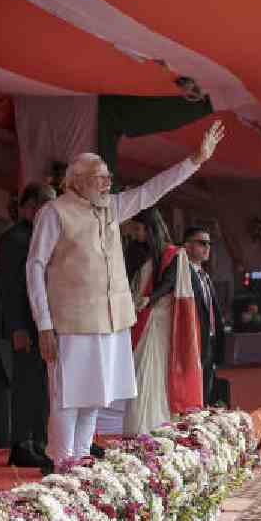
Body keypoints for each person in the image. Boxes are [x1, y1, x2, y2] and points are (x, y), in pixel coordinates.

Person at [27, 120, 224, 471]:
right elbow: (35, 268)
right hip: (70, 322)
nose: (108, 182)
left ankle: (81, 461)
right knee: (67, 399)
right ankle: (61, 464)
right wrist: (43, 325)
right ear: (77, 181)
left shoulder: (111, 208)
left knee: (94, 398)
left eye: (107, 176)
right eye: (100, 176)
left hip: (111, 320)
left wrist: (195, 160)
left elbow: (152, 191)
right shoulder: (54, 213)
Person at [122, 209, 201, 435]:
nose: (136, 234)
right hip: (138, 317)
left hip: (158, 320)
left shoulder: (174, 254)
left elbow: (169, 282)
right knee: (140, 371)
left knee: (153, 371)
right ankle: (138, 424)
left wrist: (150, 298)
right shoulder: (136, 251)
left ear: (150, 229)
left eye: (139, 229)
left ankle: (153, 425)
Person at [0, 183, 56, 468]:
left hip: (41, 323)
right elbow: (10, 288)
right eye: (45, 205)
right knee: (25, 385)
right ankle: (22, 444)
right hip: (24, 325)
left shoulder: (37, 236)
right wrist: (18, 328)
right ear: (29, 206)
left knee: (41, 386)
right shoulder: (14, 238)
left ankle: (39, 441)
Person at [148, 225, 226, 407]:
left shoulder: (204, 274)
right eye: (202, 243)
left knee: (206, 383)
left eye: (209, 243)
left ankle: (201, 420)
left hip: (210, 338)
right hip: (192, 337)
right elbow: (167, 283)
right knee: (192, 384)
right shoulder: (182, 267)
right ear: (187, 246)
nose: (207, 247)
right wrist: (148, 299)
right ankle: (190, 420)